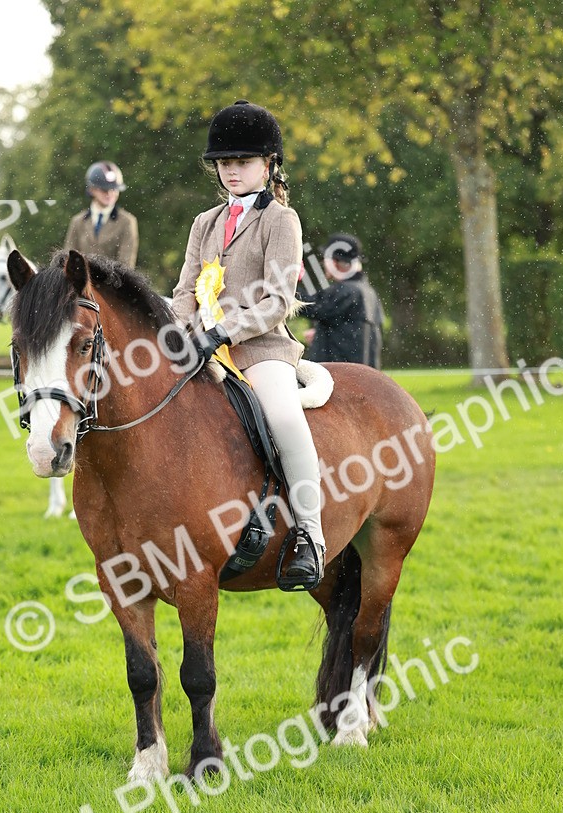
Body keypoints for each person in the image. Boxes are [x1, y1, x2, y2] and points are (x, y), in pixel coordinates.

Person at [171, 99, 325, 589]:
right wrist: (182, 330)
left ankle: (310, 534)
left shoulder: (281, 220)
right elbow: (184, 291)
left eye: (242, 161)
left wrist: (224, 332)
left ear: (268, 164)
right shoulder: (204, 222)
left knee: (284, 418)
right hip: (201, 346)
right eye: (224, 162)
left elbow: (278, 299)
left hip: (259, 347)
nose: (231, 171)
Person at [304, 233, 384, 368]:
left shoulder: (347, 291)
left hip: (341, 376)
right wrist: (322, 336)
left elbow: (312, 306)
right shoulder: (368, 292)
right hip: (363, 375)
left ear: (334, 262)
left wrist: (286, 287)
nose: (323, 264)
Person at [63, 161, 139, 267]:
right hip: (82, 277)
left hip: (113, 277)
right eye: (104, 189)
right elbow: (68, 260)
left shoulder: (127, 222)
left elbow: (126, 265)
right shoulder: (78, 222)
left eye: (114, 189)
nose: (109, 194)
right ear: (91, 190)